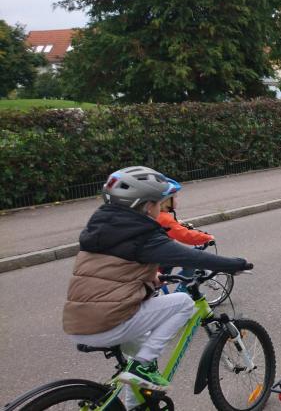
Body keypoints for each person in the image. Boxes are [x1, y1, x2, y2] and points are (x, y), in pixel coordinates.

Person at [63, 166, 252, 392]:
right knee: (183, 302)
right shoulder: (143, 236)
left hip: (78, 323)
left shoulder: (102, 228)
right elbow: (191, 257)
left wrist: (151, 278)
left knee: (138, 373)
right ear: (144, 205)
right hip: (108, 323)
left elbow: (113, 273)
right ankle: (142, 367)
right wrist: (236, 264)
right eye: (157, 202)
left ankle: (138, 393)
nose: (160, 207)